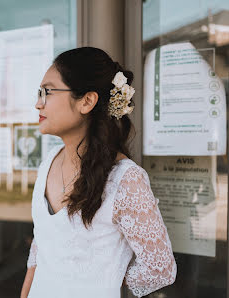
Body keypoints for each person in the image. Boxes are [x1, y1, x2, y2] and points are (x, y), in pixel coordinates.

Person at [20, 47, 176, 298]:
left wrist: (105, 277)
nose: (38, 103)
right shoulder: (48, 162)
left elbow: (160, 269)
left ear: (87, 101)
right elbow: (40, 247)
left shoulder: (124, 179)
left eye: (47, 92)